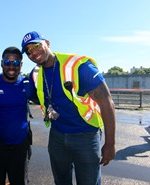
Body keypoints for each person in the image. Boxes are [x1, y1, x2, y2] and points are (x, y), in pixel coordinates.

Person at [21, 31, 116, 185]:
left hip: (86, 135)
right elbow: (23, 92)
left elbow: (107, 102)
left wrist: (110, 143)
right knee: (61, 181)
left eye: (36, 45)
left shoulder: (79, 66)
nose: (33, 53)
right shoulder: (35, 73)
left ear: (47, 43)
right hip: (57, 134)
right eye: (28, 51)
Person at [0, 46, 33, 185]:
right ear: (1, 63)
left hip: (20, 146)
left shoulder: (28, 84)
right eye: (7, 62)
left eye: (16, 62)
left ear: (21, 65)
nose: (12, 66)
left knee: (19, 182)